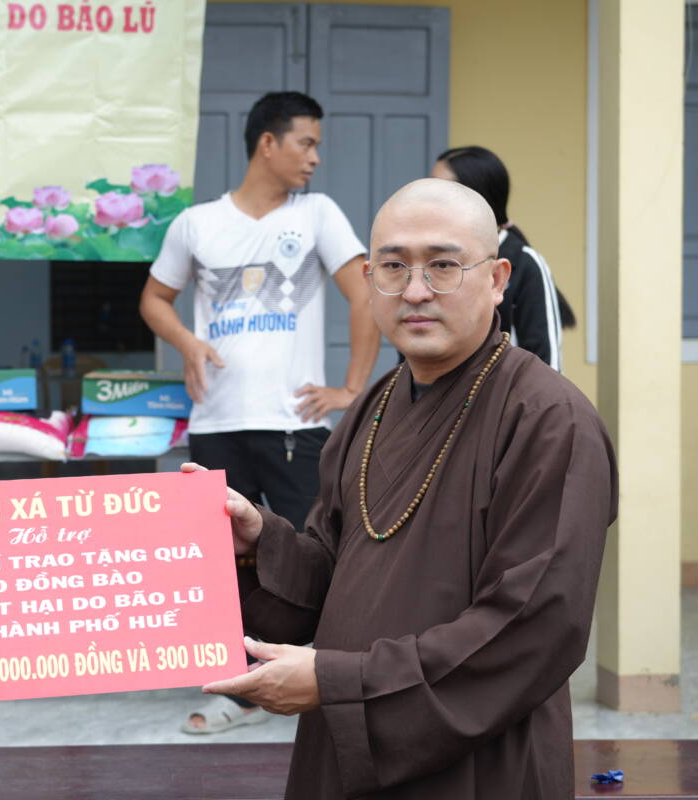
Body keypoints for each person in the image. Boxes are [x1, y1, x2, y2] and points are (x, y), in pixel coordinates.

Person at [194, 178, 617, 798]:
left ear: (497, 279)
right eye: (394, 267)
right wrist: (259, 541)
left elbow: (534, 627)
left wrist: (340, 683)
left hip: (478, 763)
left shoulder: (549, 420)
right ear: (369, 280)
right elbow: (333, 570)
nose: (416, 291)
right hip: (346, 743)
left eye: (444, 265)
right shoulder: (374, 406)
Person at [139, 91, 380, 733]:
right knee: (221, 561)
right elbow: (154, 298)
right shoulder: (196, 224)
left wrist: (352, 389)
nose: (316, 157)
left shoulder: (319, 214)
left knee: (311, 551)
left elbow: (365, 296)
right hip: (216, 422)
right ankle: (239, 689)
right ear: (267, 143)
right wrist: (187, 342)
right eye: (306, 142)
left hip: (294, 424)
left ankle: (317, 676)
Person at [431, 145, 575, 370]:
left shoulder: (525, 263)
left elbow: (546, 363)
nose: (429, 200)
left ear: (478, 195)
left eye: (442, 191)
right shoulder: (424, 261)